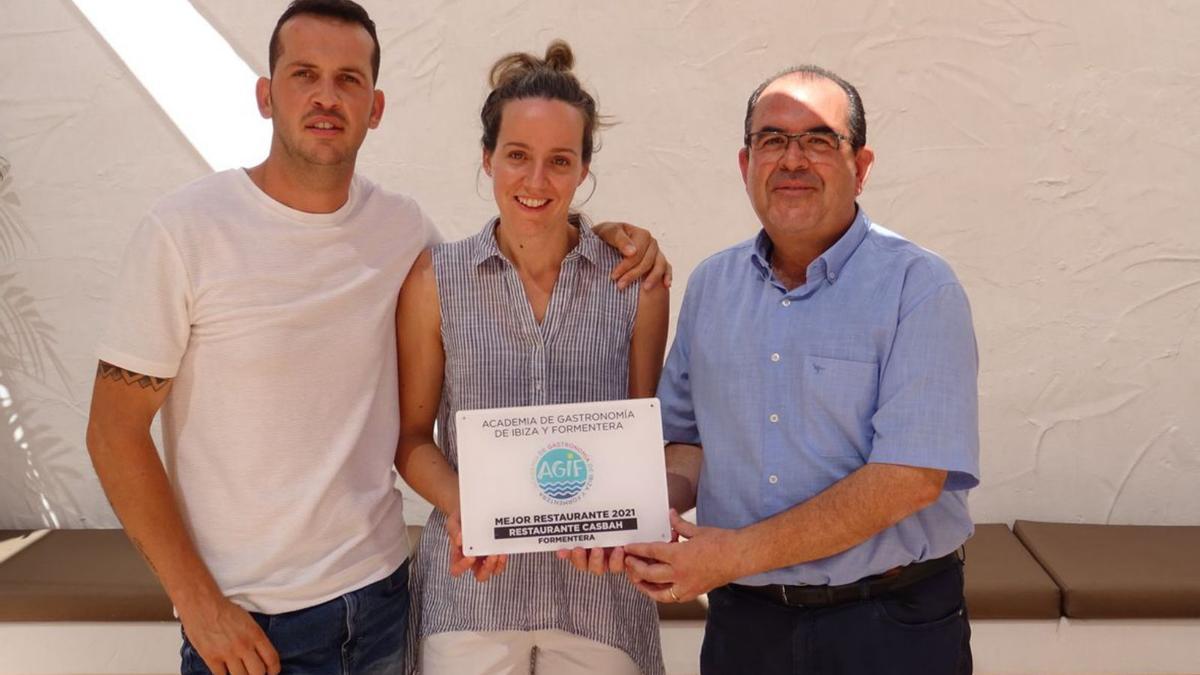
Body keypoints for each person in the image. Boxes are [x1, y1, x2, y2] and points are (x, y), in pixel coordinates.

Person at [83, 2, 667, 673]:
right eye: (304, 74)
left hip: (382, 601)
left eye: (349, 79)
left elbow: (518, 251)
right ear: (265, 93)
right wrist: (197, 603)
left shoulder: (403, 233)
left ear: (377, 105)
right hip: (252, 621)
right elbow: (112, 433)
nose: (327, 96)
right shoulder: (185, 232)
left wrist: (607, 235)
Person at [623, 65, 980, 675]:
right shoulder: (713, 286)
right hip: (747, 626)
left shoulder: (918, 287)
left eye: (819, 140)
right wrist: (629, 516)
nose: (792, 159)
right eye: (772, 140)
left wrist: (732, 555)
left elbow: (909, 478)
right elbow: (687, 440)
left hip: (889, 627)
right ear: (745, 165)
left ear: (861, 166)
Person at [395, 41, 669, 675]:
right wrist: (469, 508)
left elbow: (643, 442)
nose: (536, 181)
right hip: (474, 596)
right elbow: (411, 438)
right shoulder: (435, 281)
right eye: (517, 156)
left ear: (583, 170)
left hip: (600, 598)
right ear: (487, 158)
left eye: (559, 161)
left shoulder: (634, 283)